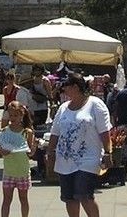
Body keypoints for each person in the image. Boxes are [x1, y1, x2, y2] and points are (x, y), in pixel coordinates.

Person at [47, 72, 113, 217]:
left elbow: (105, 131)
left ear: (76, 87)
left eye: (66, 87)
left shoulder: (95, 105)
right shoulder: (63, 108)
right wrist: (50, 152)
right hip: (65, 160)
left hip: (88, 159)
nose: (64, 90)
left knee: (84, 195)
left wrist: (108, 152)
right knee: (69, 198)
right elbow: (55, 132)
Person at [0, 101, 36, 217]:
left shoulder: (27, 132)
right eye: (11, 115)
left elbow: (30, 154)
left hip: (23, 172)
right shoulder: (4, 132)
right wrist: (0, 151)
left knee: (23, 199)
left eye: (15, 115)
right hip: (9, 172)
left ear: (21, 115)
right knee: (6, 200)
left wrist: (34, 147)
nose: (12, 118)